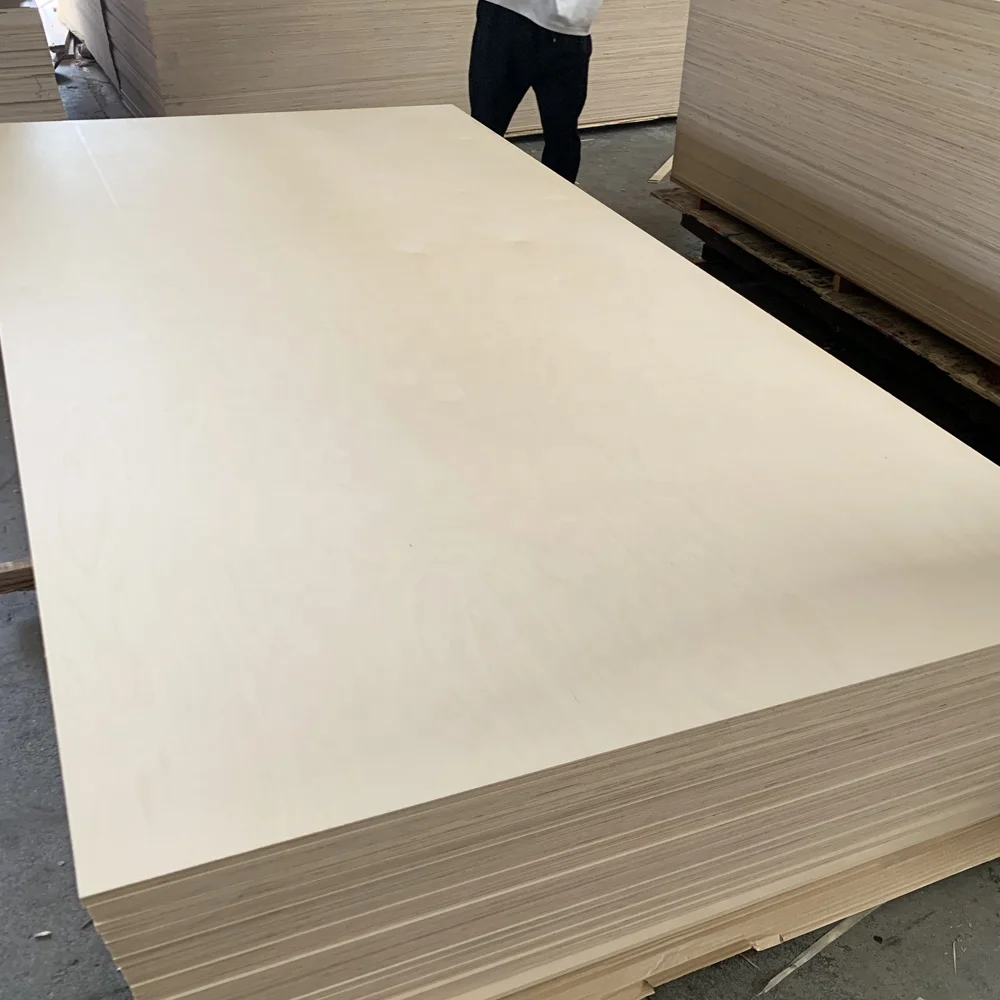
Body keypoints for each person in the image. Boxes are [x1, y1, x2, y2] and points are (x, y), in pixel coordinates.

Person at [468, 0, 603, 183]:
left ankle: (559, 198)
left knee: (562, 135)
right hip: (508, 13)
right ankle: (476, 194)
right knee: (486, 127)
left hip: (571, 29)